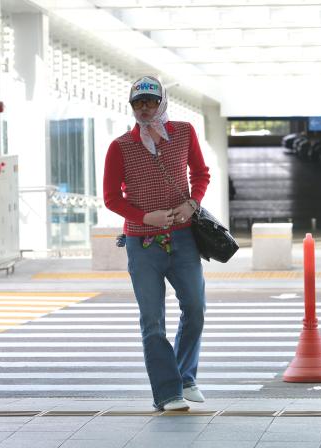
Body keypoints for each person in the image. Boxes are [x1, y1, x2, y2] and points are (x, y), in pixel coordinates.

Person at [103, 76, 210, 411]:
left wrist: (192, 203)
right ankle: (168, 392)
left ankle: (184, 375)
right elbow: (110, 197)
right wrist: (143, 217)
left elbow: (201, 174)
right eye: (138, 103)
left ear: (162, 102)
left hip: (184, 239)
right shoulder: (120, 146)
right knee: (153, 321)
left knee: (195, 308)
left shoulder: (184, 132)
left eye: (150, 101)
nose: (145, 108)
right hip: (142, 242)